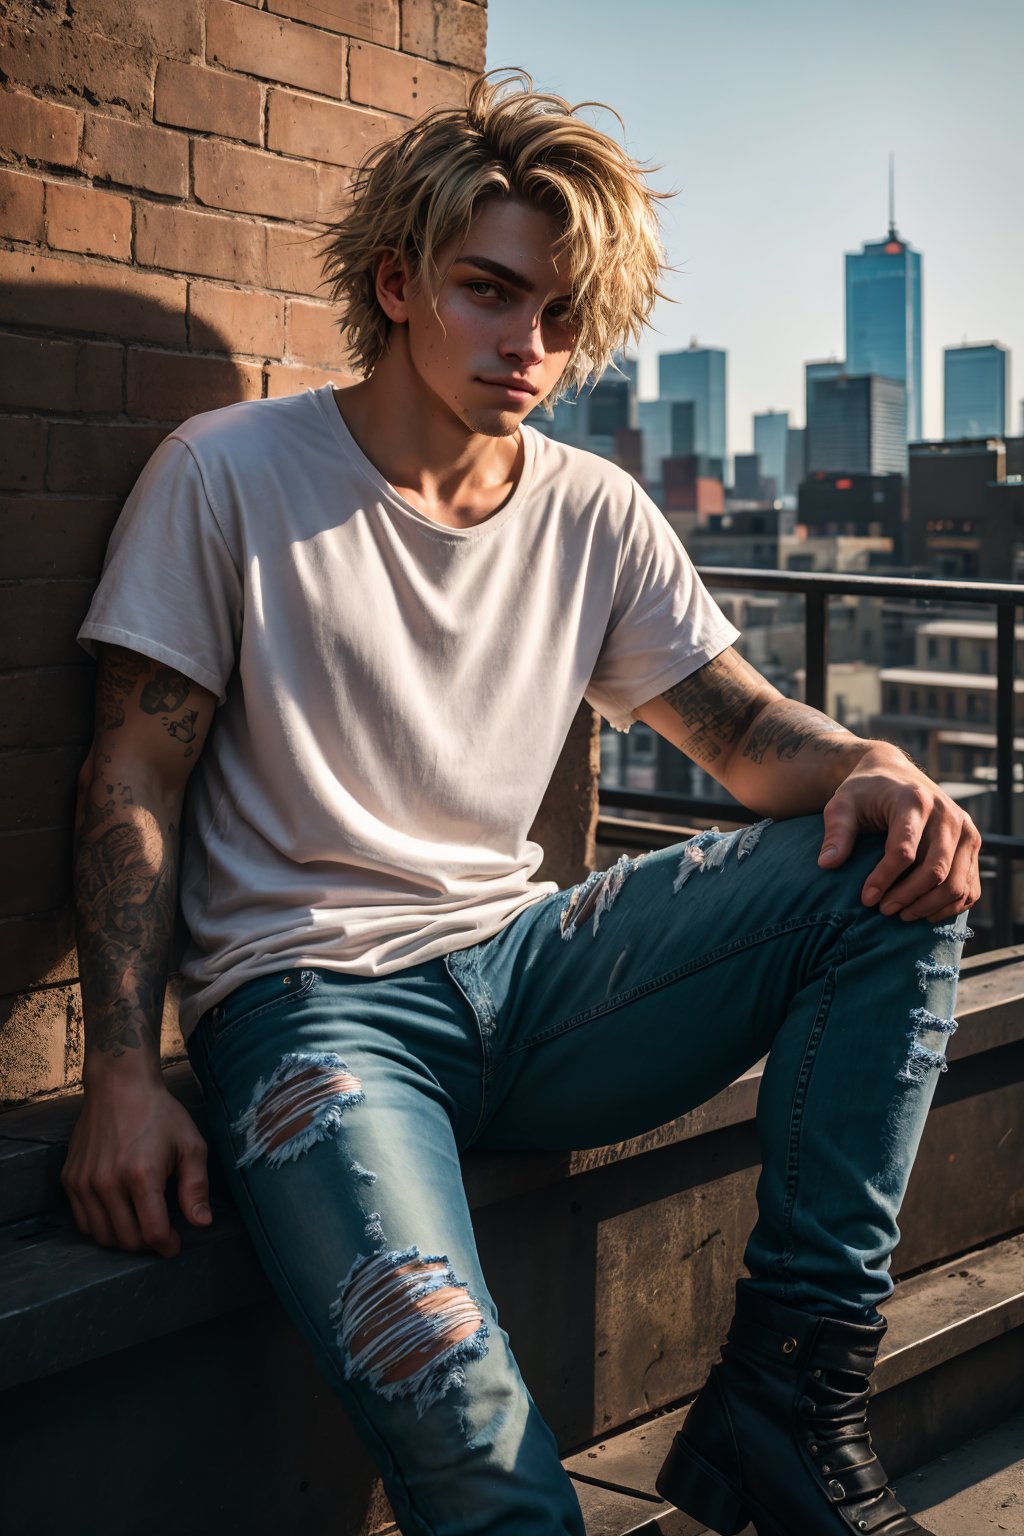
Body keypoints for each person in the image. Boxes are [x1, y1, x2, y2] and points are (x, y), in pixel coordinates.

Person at [65, 70, 977, 1536]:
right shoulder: (226, 475)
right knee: (491, 1472)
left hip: (533, 972)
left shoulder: (591, 508)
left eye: (562, 317)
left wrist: (882, 770)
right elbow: (133, 772)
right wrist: (121, 1067)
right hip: (314, 1015)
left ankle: (790, 1393)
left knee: (883, 865)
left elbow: (745, 736)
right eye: (492, 293)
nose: (529, 346)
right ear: (398, 282)